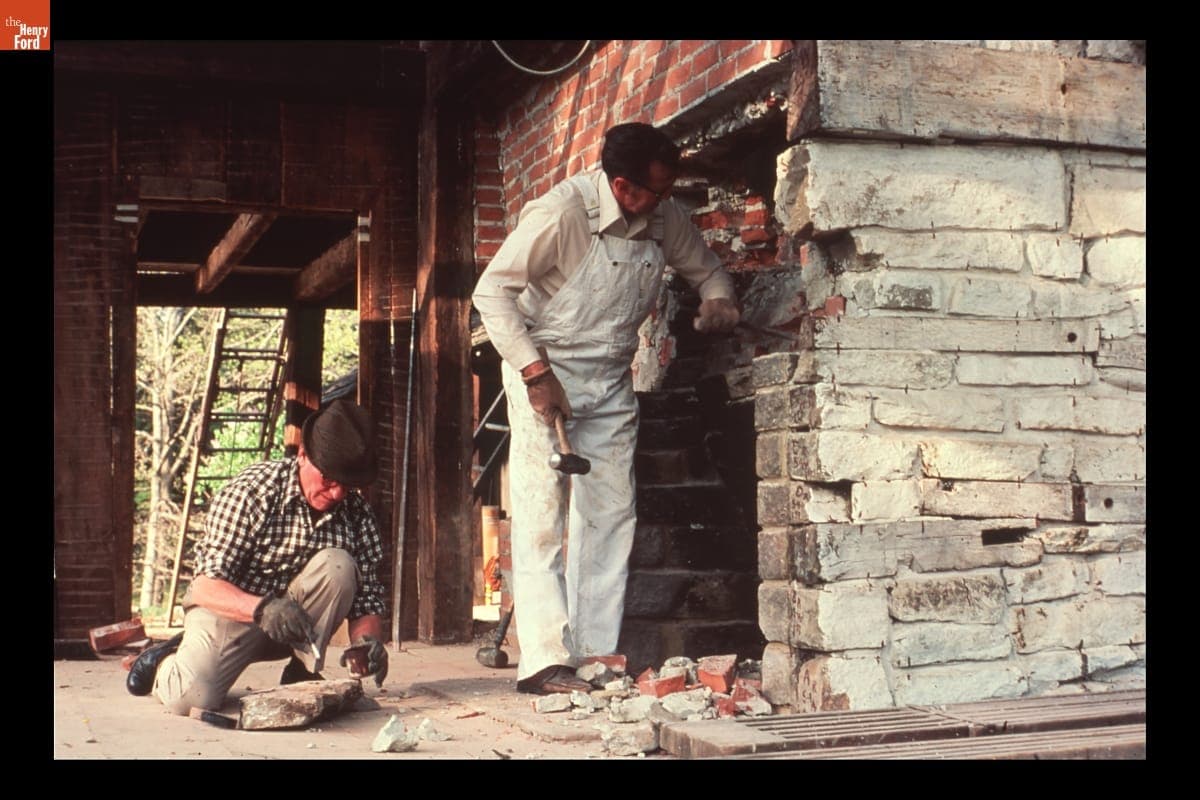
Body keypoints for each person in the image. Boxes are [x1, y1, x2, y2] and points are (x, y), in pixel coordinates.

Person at [471, 122, 740, 694]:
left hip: (611, 378)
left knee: (611, 515)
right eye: (655, 192)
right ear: (622, 186)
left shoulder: (662, 216)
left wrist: (718, 299)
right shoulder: (562, 213)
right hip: (545, 372)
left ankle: (595, 656)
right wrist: (536, 374)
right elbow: (490, 292)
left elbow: (707, 269)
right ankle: (544, 661)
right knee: (542, 515)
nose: (664, 205)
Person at [125, 398, 390, 714]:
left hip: (295, 627)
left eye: (346, 487)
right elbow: (205, 587)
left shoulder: (357, 514)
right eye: (329, 480)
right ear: (303, 455)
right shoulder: (253, 491)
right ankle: (163, 661)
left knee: (339, 565)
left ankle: (302, 673)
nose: (336, 494)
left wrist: (367, 644)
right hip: (231, 615)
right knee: (192, 700)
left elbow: (367, 601)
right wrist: (264, 609)